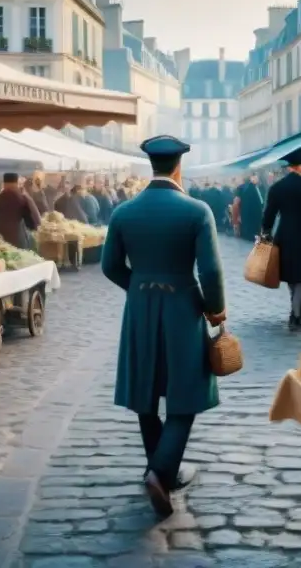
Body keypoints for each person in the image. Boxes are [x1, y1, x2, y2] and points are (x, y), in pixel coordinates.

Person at [102, 135, 226, 519]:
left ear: (150, 166)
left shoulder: (124, 211)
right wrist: (214, 309)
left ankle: (162, 471)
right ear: (179, 167)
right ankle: (161, 471)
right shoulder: (196, 210)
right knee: (185, 390)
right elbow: (210, 269)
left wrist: (139, 288)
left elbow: (110, 266)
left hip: (140, 308)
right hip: (182, 307)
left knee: (145, 387)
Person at [261, 149, 301, 330]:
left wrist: (266, 231)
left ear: (288, 167)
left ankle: (296, 307)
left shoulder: (277, 188)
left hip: (284, 234)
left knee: (290, 273)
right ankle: (296, 313)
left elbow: (269, 214)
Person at [0, 173, 42, 249]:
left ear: (4, 184)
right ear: (16, 183)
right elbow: (31, 222)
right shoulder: (22, 198)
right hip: (18, 238)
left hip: (2, 237)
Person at [237, 173, 264, 243]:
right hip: (254, 212)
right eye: (255, 178)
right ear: (251, 178)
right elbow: (247, 203)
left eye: (257, 178)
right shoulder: (249, 189)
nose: (256, 180)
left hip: (256, 211)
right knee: (254, 227)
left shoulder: (257, 187)